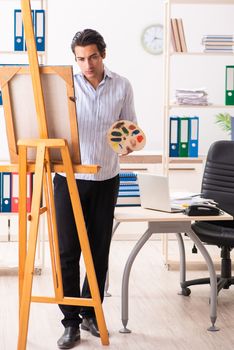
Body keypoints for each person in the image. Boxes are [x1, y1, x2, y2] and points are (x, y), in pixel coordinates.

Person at [54, 28, 137, 349]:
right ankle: (70, 322)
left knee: (98, 250)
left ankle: (91, 312)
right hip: (69, 179)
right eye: (80, 59)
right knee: (67, 251)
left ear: (103, 54)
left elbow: (128, 128)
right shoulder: (65, 86)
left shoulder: (122, 86)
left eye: (92, 57)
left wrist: (128, 144)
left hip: (106, 179)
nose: (87, 64)